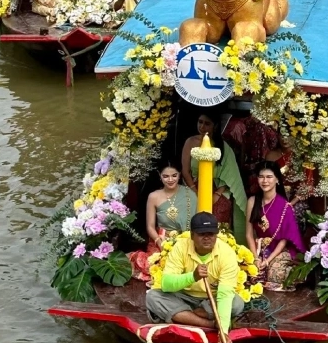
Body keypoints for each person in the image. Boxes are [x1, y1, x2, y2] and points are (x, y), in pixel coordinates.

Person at [145, 211, 244, 342]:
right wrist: (193, 277)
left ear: (216, 235)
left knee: (237, 303)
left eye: (211, 234)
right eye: (202, 234)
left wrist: (223, 331)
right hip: (183, 296)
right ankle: (207, 323)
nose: (207, 238)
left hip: (211, 300)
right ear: (192, 235)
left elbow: (224, 295)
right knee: (152, 297)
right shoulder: (180, 247)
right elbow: (166, 284)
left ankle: (186, 316)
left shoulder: (227, 253)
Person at [181, 112, 247, 241]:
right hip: (193, 187)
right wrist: (195, 191)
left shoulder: (222, 146)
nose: (202, 126)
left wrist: (217, 194)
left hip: (218, 190)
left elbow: (230, 174)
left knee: (218, 223)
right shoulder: (190, 142)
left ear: (215, 126)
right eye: (200, 122)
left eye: (207, 124)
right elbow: (185, 171)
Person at [129, 164, 198, 282]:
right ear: (159, 176)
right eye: (166, 176)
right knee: (155, 268)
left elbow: (196, 223)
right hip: (162, 240)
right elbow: (150, 226)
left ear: (179, 174)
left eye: (174, 175)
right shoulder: (154, 196)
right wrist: (159, 242)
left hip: (186, 240)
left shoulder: (189, 195)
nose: (170, 180)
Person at [245, 163, 304, 291]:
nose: (265, 181)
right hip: (258, 248)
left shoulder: (285, 207)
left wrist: (268, 261)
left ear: (277, 179)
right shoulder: (252, 201)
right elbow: (249, 234)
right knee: (248, 275)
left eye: (269, 177)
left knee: (275, 275)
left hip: (280, 250)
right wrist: (255, 258)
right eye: (261, 177)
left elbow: (284, 240)